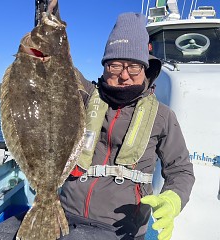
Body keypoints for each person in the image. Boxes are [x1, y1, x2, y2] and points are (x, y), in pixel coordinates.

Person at [59, 12, 195, 240]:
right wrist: (48, 13)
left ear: (145, 69)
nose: (124, 76)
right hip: (64, 213)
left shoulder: (163, 116)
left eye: (133, 67)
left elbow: (181, 170)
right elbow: (57, 64)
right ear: (104, 67)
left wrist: (173, 199)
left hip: (118, 228)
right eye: (115, 66)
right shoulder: (85, 96)